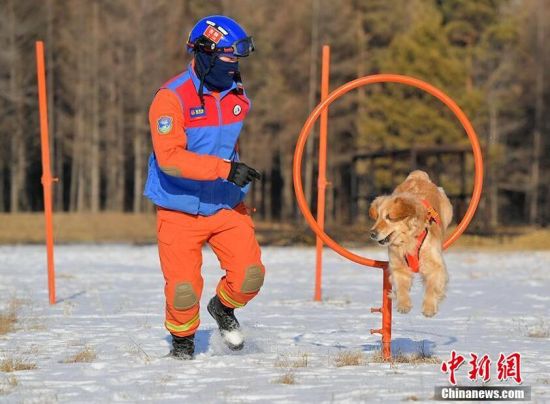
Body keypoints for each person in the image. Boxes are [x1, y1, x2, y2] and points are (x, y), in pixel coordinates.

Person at [144, 15, 264, 360]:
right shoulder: (170, 98)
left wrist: (231, 172)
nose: (234, 65)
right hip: (179, 208)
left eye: (237, 59)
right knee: (182, 291)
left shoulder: (237, 92)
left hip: (225, 204)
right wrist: (225, 169)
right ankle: (182, 345)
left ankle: (223, 307)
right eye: (228, 57)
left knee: (250, 276)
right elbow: (170, 159)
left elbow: (224, 141)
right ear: (205, 53)